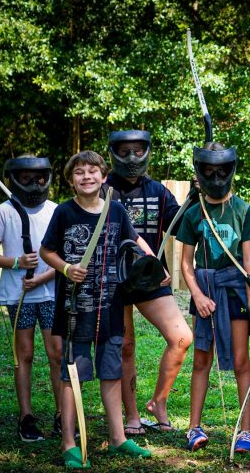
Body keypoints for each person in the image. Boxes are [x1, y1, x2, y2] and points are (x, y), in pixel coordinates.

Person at [41, 151, 156, 467]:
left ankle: (118, 438)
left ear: (104, 177)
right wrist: (66, 269)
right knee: (72, 376)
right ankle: (68, 443)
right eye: (79, 172)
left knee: (112, 372)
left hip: (111, 308)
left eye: (93, 171)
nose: (87, 176)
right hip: (76, 310)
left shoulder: (116, 210)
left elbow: (133, 242)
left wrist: (154, 266)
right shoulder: (64, 213)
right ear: (71, 181)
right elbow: (46, 251)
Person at [105, 130, 192, 434]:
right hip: (113, 280)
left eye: (138, 151)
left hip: (152, 278)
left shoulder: (158, 191)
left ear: (148, 152)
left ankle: (158, 402)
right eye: (125, 151)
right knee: (125, 347)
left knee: (181, 338)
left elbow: (181, 224)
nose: (131, 158)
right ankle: (131, 417)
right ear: (113, 152)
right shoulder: (103, 191)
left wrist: (196, 197)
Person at [177, 142, 250, 454]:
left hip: (236, 290)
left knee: (241, 361)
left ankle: (247, 430)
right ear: (200, 172)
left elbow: (249, 261)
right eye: (209, 170)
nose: (215, 176)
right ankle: (193, 427)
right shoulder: (193, 212)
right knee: (201, 359)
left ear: (230, 171)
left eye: (221, 170)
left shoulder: (244, 211)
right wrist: (197, 296)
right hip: (206, 289)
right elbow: (186, 263)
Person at [0, 156, 60, 440]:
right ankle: (26, 418)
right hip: (18, 297)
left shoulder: (57, 211)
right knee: (25, 356)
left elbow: (64, 257)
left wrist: (43, 278)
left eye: (40, 178)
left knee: (56, 355)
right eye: (26, 178)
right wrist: (17, 263)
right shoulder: (3, 212)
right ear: (13, 179)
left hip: (49, 295)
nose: (34, 184)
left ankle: (62, 415)